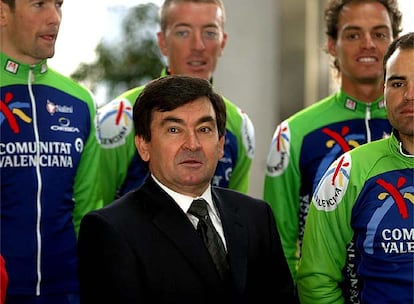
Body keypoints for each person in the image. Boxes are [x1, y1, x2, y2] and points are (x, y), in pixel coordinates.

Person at [78, 75, 295, 303]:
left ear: (220, 145)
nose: (192, 144)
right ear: (144, 145)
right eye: (174, 130)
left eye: (204, 129)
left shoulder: (257, 217)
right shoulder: (110, 229)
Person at [263, 0, 403, 282]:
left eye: (379, 34)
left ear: (395, 42)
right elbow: (278, 248)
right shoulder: (293, 134)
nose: (368, 44)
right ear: (330, 44)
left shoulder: (409, 122)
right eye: (353, 35)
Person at [97, 0, 255, 205]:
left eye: (209, 33)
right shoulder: (121, 118)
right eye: (183, 32)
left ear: (223, 42)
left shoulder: (239, 125)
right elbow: (94, 214)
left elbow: (235, 217)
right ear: (162, 42)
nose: (198, 46)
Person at [296, 31, 414, 304]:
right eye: (397, 83)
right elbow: (316, 280)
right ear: (383, 91)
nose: (409, 95)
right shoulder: (347, 172)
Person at [0, 0, 102, 303]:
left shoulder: (80, 101)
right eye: (39, 4)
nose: (54, 18)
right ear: (3, 12)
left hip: (68, 291)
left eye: (58, 5)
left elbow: (88, 210)